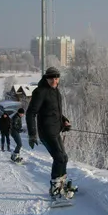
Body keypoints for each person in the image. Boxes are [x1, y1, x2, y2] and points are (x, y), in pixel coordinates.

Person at [26, 67, 74, 197]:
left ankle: (61, 184)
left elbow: (55, 111)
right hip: (46, 132)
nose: (54, 80)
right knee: (59, 158)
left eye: (57, 78)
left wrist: (64, 121)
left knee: (64, 158)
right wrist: (32, 134)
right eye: (52, 78)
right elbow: (30, 113)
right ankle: (54, 186)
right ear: (46, 78)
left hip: (56, 130)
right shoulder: (40, 92)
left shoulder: (56, 91)